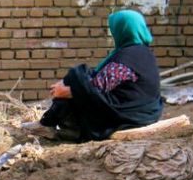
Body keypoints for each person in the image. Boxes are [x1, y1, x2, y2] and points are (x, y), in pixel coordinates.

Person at [24, 9, 163, 142]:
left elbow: (97, 87)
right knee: (79, 81)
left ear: (122, 30)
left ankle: (48, 124)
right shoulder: (142, 53)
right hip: (147, 112)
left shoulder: (127, 57)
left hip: (130, 116)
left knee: (77, 79)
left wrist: (69, 91)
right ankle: (59, 125)